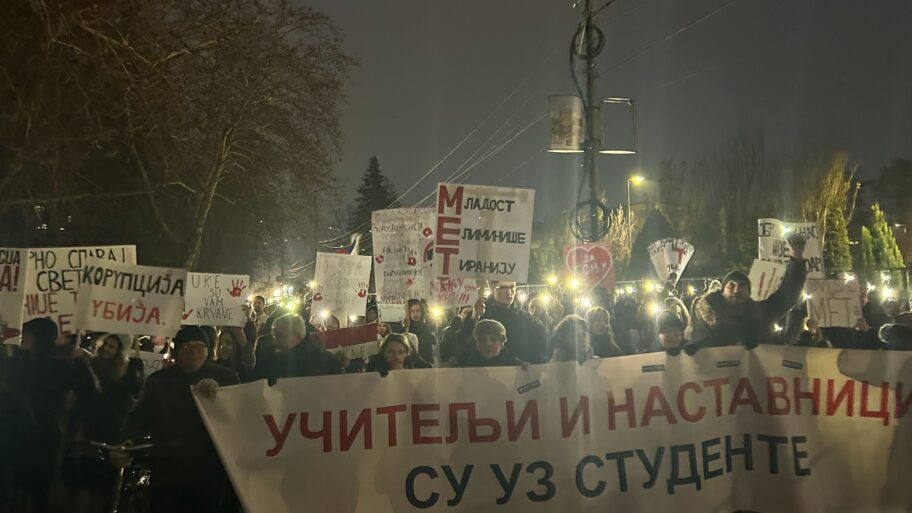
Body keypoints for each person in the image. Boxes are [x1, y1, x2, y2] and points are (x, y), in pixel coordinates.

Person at [124, 326, 239, 513]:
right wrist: (128, 440)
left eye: (199, 346)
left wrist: (221, 396)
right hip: (169, 469)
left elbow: (237, 416)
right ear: (177, 352)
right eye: (187, 347)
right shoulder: (159, 381)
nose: (194, 352)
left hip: (209, 470)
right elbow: (140, 417)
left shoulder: (225, 377)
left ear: (208, 350)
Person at [0, 318, 98, 513]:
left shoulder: (58, 366)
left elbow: (89, 393)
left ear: (38, 338)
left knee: (37, 493)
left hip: (43, 436)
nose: (22, 339)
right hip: (21, 436)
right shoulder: (19, 361)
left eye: (26, 335)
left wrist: (80, 362)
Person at [66, 334, 145, 512]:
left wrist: (137, 364)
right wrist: (78, 363)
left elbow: (136, 390)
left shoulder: (127, 369)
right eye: (106, 344)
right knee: (85, 485)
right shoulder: (92, 365)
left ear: (119, 351)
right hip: (91, 432)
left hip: (114, 433)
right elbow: (87, 393)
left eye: (112, 347)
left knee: (104, 489)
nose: (107, 349)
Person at [690, 233, 808, 348]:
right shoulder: (706, 319)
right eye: (731, 286)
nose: (736, 290)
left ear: (749, 292)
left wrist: (797, 259)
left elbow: (786, 295)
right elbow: (700, 347)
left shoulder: (761, 314)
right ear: (722, 291)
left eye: (742, 286)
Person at [460, 281, 548, 364]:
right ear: (492, 288)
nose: (509, 292)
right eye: (503, 288)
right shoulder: (479, 315)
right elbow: (462, 345)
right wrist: (473, 319)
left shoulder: (528, 321)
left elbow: (542, 349)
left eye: (512, 287)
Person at [264, 313, 341, 381]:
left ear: (297, 335)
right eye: (274, 336)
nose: (275, 341)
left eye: (279, 335)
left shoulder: (326, 361)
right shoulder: (274, 362)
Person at [461, 320, 525, 368]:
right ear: (477, 344)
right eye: (482, 340)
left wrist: (526, 369)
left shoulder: (514, 364)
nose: (488, 343)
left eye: (493, 340)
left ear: (501, 344)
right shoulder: (465, 365)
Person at [366, 334, 430, 375]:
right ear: (383, 352)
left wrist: (402, 375)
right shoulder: (372, 370)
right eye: (391, 352)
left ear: (407, 353)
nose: (396, 357)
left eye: (401, 352)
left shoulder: (418, 370)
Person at [404, 299, 437, 364]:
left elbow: (430, 347)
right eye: (412, 311)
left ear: (421, 312)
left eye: (417, 311)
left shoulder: (427, 327)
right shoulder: (406, 329)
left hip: (425, 363)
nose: (415, 314)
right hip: (411, 363)